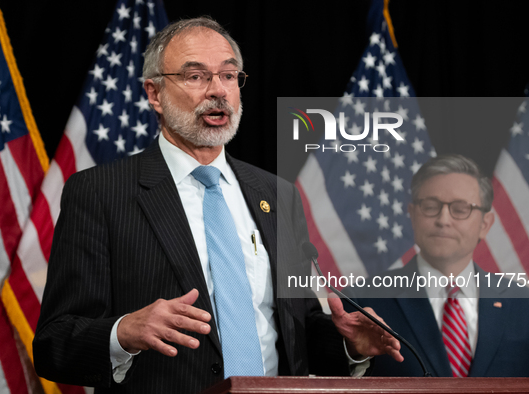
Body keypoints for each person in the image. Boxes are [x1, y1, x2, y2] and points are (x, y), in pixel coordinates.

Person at [33, 17, 401, 393]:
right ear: (154, 94)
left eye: (228, 76)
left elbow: (295, 332)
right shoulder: (100, 192)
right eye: (196, 77)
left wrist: (348, 345)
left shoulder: (278, 194)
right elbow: (54, 343)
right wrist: (123, 332)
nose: (218, 91)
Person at [332, 154, 529, 392]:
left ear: (485, 224)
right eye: (430, 206)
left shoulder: (525, 305)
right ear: (412, 214)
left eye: (460, 208)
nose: (443, 219)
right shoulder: (361, 299)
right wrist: (353, 352)